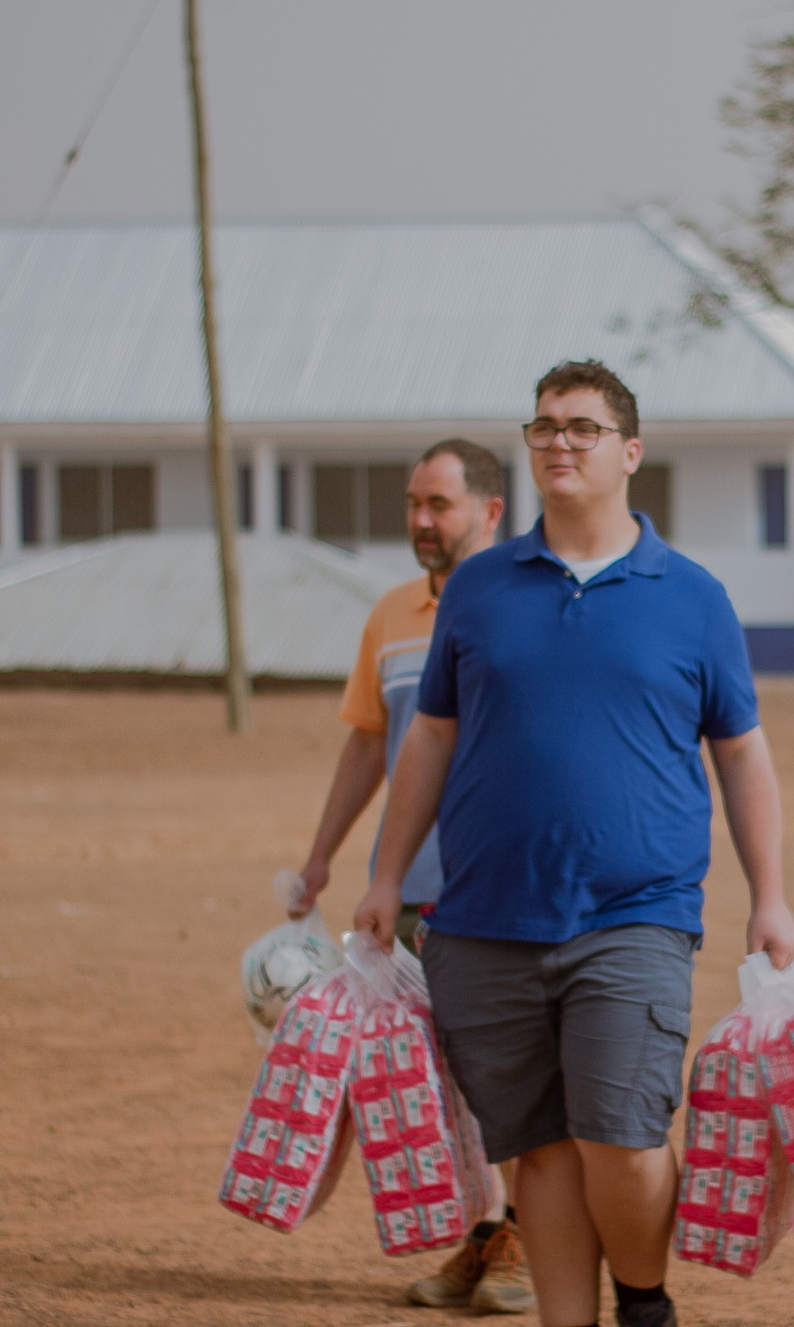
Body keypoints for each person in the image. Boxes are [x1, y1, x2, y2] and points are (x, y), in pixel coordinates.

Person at [352, 359, 794, 1327]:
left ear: (629, 452)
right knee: (540, 1149)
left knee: (624, 1138)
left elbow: (742, 753)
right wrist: (385, 875)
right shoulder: (477, 591)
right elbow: (428, 736)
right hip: (479, 922)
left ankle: (642, 1302)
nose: (559, 440)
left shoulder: (691, 596)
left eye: (583, 427)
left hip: (634, 916)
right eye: (545, 425)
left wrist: (770, 893)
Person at [285, 438, 534, 1314]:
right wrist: (322, 857)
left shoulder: (526, 603)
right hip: (412, 887)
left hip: (498, 887)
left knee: (501, 1070)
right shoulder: (392, 614)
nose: (422, 522)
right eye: (413, 504)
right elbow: (369, 743)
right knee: (442, 1079)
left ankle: (523, 1242)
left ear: (492, 512)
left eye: (441, 504)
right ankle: (486, 1232)